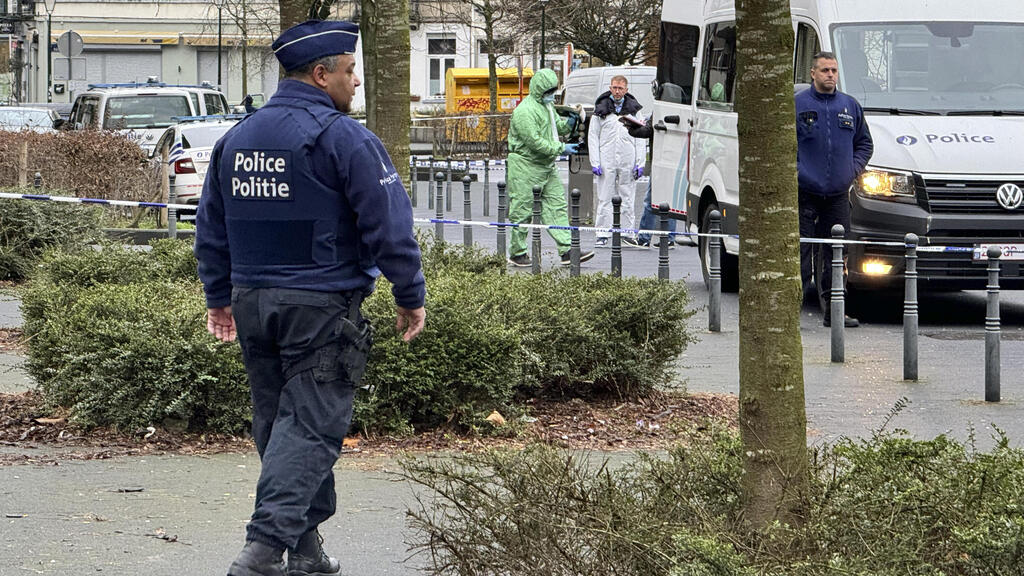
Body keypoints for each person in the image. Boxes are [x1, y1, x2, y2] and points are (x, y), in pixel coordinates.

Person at [194, 19, 426, 576]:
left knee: (279, 423)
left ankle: (305, 550)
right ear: (321, 75)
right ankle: (262, 550)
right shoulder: (344, 138)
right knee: (311, 425)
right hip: (319, 304)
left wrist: (219, 295)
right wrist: (409, 291)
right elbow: (388, 224)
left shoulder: (237, 137)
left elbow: (212, 224)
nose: (356, 85)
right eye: (350, 73)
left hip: (253, 302)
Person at [796, 51, 873, 328]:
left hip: (838, 196)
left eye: (834, 70)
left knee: (837, 255)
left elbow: (864, 144)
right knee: (801, 255)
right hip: (804, 193)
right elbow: (785, 146)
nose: (830, 75)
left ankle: (835, 311)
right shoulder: (798, 105)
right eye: (825, 70)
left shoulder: (849, 106)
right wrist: (797, 172)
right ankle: (793, 313)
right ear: (813, 74)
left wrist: (851, 171)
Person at [506, 68, 595, 267]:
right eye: (549, 91)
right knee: (522, 209)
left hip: (545, 164)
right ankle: (517, 252)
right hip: (525, 166)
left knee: (557, 206)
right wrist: (561, 148)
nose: (552, 95)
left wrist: (571, 121)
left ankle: (567, 250)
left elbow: (557, 128)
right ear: (540, 90)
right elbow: (534, 142)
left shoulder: (547, 107)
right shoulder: (524, 111)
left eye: (553, 91)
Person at [589, 75, 647, 248]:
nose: (617, 91)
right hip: (606, 159)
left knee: (628, 197)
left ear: (626, 90)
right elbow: (593, 137)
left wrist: (640, 162)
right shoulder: (601, 111)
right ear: (610, 88)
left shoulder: (634, 111)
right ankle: (602, 233)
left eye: (620, 88)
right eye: (614, 88)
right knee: (604, 197)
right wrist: (595, 162)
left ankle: (627, 233)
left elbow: (640, 138)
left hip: (627, 159)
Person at [623, 113, 677, 247]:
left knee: (651, 200)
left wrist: (632, 129)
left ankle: (644, 238)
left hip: (661, 159)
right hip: (675, 160)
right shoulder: (677, 107)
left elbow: (648, 130)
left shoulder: (661, 108)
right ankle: (669, 238)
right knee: (670, 200)